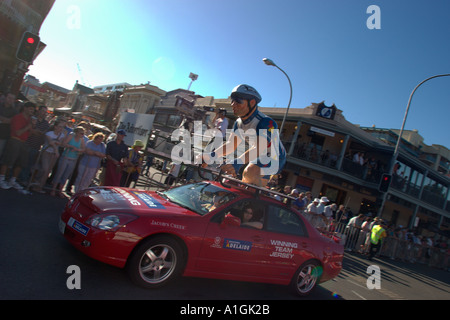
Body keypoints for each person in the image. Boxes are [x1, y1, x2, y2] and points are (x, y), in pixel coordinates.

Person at [201, 84, 286, 187]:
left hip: (275, 157)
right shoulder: (238, 123)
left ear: (252, 102)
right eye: (232, 101)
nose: (233, 104)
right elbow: (231, 145)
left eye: (238, 101)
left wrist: (237, 162)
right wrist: (211, 156)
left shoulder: (266, 122)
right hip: (260, 155)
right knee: (244, 180)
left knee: (250, 172)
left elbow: (258, 148)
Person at [0, 102, 36, 190]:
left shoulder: (29, 119)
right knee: (8, 161)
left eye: (33, 109)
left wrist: (32, 126)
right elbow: (18, 132)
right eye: (30, 109)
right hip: (14, 140)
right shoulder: (17, 117)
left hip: (24, 142)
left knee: (21, 163)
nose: (32, 111)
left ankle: (13, 180)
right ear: (25, 108)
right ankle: (1, 179)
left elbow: (30, 133)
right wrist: (28, 126)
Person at [31, 119, 67, 193]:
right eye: (60, 126)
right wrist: (56, 147)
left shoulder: (62, 135)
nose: (61, 128)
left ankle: (40, 186)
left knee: (48, 171)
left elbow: (62, 144)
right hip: (46, 152)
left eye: (63, 127)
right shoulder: (49, 134)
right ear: (55, 127)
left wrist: (57, 142)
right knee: (44, 168)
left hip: (53, 154)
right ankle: (35, 182)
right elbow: (51, 143)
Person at [50, 126, 85, 197]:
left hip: (73, 159)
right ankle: (53, 189)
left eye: (83, 133)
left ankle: (60, 190)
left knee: (66, 175)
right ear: (77, 132)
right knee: (59, 173)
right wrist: (71, 147)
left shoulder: (81, 140)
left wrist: (78, 150)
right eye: (81, 133)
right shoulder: (71, 136)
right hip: (65, 157)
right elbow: (63, 144)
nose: (82, 135)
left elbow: (83, 149)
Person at [0, 92, 17, 159]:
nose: (10, 100)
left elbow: (11, 121)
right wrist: (5, 120)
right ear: (6, 98)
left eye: (12, 99)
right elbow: (7, 120)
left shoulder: (15, 111)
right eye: (9, 98)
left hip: (3, 135)